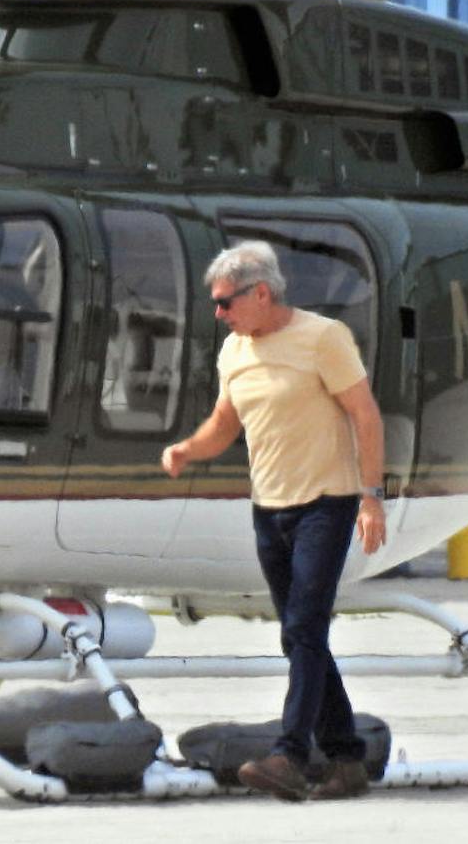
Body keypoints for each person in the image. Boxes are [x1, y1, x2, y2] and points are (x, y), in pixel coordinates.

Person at [161, 240, 386, 802]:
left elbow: (365, 413)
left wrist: (371, 496)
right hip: (269, 511)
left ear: (261, 292)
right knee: (300, 637)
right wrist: (188, 450)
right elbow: (223, 423)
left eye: (225, 303)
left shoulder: (323, 338)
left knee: (304, 630)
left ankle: (289, 754)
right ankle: (346, 759)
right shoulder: (236, 351)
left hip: (325, 505)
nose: (219, 314)